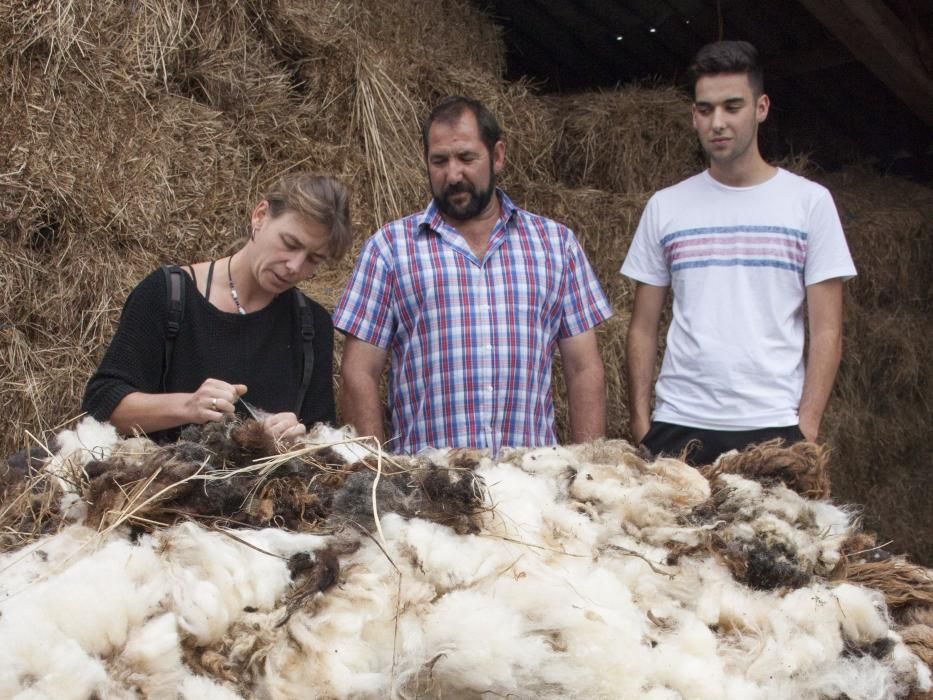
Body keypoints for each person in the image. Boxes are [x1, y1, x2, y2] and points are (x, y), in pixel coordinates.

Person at [621, 40, 856, 466]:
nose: (718, 122)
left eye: (733, 107)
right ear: (694, 115)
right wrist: (643, 422)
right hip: (678, 423)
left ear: (761, 107)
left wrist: (806, 426)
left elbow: (827, 330)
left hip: (773, 426)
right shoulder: (666, 205)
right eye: (706, 109)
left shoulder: (809, 203)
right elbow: (642, 326)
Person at [334, 96, 612, 455]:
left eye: (466, 158)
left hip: (532, 487)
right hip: (427, 488)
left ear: (497, 156)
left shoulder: (555, 245)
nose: (453, 175)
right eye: (439, 161)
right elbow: (359, 373)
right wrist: (373, 471)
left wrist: (589, 473)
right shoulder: (390, 248)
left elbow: (583, 369)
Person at [82, 173, 352, 444]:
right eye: (290, 243)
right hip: (165, 479)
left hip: (261, 486)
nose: (295, 266)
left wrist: (298, 436)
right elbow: (101, 404)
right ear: (260, 216)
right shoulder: (168, 295)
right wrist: (187, 406)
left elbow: (323, 441)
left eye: (313, 259)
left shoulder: (312, 325)